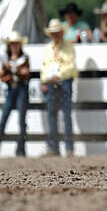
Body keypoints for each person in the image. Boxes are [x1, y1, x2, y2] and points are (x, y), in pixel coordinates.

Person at [0, 31, 30, 157]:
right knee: (4, 119)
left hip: (20, 89)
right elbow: (4, 77)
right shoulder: (11, 60)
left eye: (16, 44)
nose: (14, 46)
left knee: (21, 121)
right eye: (12, 44)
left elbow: (25, 74)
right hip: (12, 89)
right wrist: (15, 71)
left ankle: (20, 150)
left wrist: (11, 70)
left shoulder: (23, 59)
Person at [41, 18, 78, 156]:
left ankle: (68, 147)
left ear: (61, 33)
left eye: (57, 32)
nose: (55, 35)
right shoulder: (48, 49)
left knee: (66, 115)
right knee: (52, 115)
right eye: (53, 33)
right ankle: (54, 147)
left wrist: (58, 76)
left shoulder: (69, 48)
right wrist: (45, 81)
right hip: (52, 83)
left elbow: (71, 67)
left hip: (64, 82)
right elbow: (44, 67)